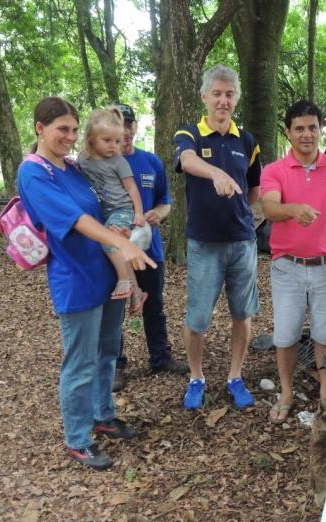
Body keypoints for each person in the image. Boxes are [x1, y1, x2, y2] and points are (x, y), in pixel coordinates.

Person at [17, 97, 156, 469]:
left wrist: (128, 271)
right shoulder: (35, 173)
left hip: (106, 276)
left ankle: (102, 415)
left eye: (74, 130)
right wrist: (122, 243)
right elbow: (77, 219)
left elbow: (109, 209)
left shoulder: (74, 168)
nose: (70, 136)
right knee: (80, 362)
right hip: (76, 279)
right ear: (40, 129)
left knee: (108, 351)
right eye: (63, 128)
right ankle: (78, 438)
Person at [261, 100, 326, 424]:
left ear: (321, 130)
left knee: (325, 335)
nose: (307, 134)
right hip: (286, 267)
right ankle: (287, 392)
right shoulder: (274, 171)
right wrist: (294, 210)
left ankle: (325, 391)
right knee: (286, 335)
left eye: (312, 127)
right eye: (299, 128)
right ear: (289, 133)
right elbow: (269, 209)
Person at [173, 64, 261, 411]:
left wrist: (241, 212)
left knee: (243, 314)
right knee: (197, 319)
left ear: (236, 98)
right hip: (204, 244)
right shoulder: (190, 132)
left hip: (242, 242)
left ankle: (234, 377)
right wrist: (216, 174)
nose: (223, 101)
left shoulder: (248, 140)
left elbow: (254, 188)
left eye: (229, 94)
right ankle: (196, 378)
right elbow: (187, 160)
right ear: (204, 97)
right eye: (217, 94)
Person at [112, 103, 188, 392]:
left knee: (154, 305)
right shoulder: (101, 164)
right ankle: (116, 365)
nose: (125, 131)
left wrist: (159, 213)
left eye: (129, 124)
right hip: (116, 252)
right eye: (119, 125)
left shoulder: (151, 162)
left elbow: (165, 202)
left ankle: (160, 356)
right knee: (117, 308)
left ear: (135, 126)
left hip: (149, 249)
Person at [76, 107, 148, 314]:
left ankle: (124, 281)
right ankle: (137, 291)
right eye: (107, 140)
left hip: (122, 209)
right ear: (91, 138)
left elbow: (132, 188)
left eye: (117, 141)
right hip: (104, 211)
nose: (113, 146)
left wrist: (139, 213)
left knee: (108, 241)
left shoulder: (119, 161)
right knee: (121, 248)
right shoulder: (83, 160)